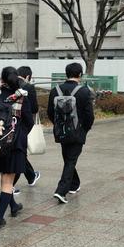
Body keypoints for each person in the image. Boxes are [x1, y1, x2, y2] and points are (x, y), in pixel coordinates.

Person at [0, 67, 34, 229]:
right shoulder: (21, 97)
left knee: (4, 175)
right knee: (8, 181)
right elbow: (29, 121)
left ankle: (13, 206)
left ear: (2, 80)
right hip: (14, 143)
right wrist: (19, 134)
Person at [47, 62, 94, 204]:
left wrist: (59, 125)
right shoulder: (84, 91)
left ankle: (75, 184)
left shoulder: (55, 91)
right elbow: (89, 116)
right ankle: (61, 191)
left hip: (61, 131)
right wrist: (84, 129)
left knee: (68, 158)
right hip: (77, 131)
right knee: (71, 159)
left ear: (66, 73)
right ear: (80, 74)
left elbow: (50, 112)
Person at [12, 66, 41, 195]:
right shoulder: (28, 87)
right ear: (28, 76)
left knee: (19, 153)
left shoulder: (9, 84)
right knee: (19, 154)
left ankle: (31, 176)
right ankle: (9, 185)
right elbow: (34, 108)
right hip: (21, 125)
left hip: (7, 125)